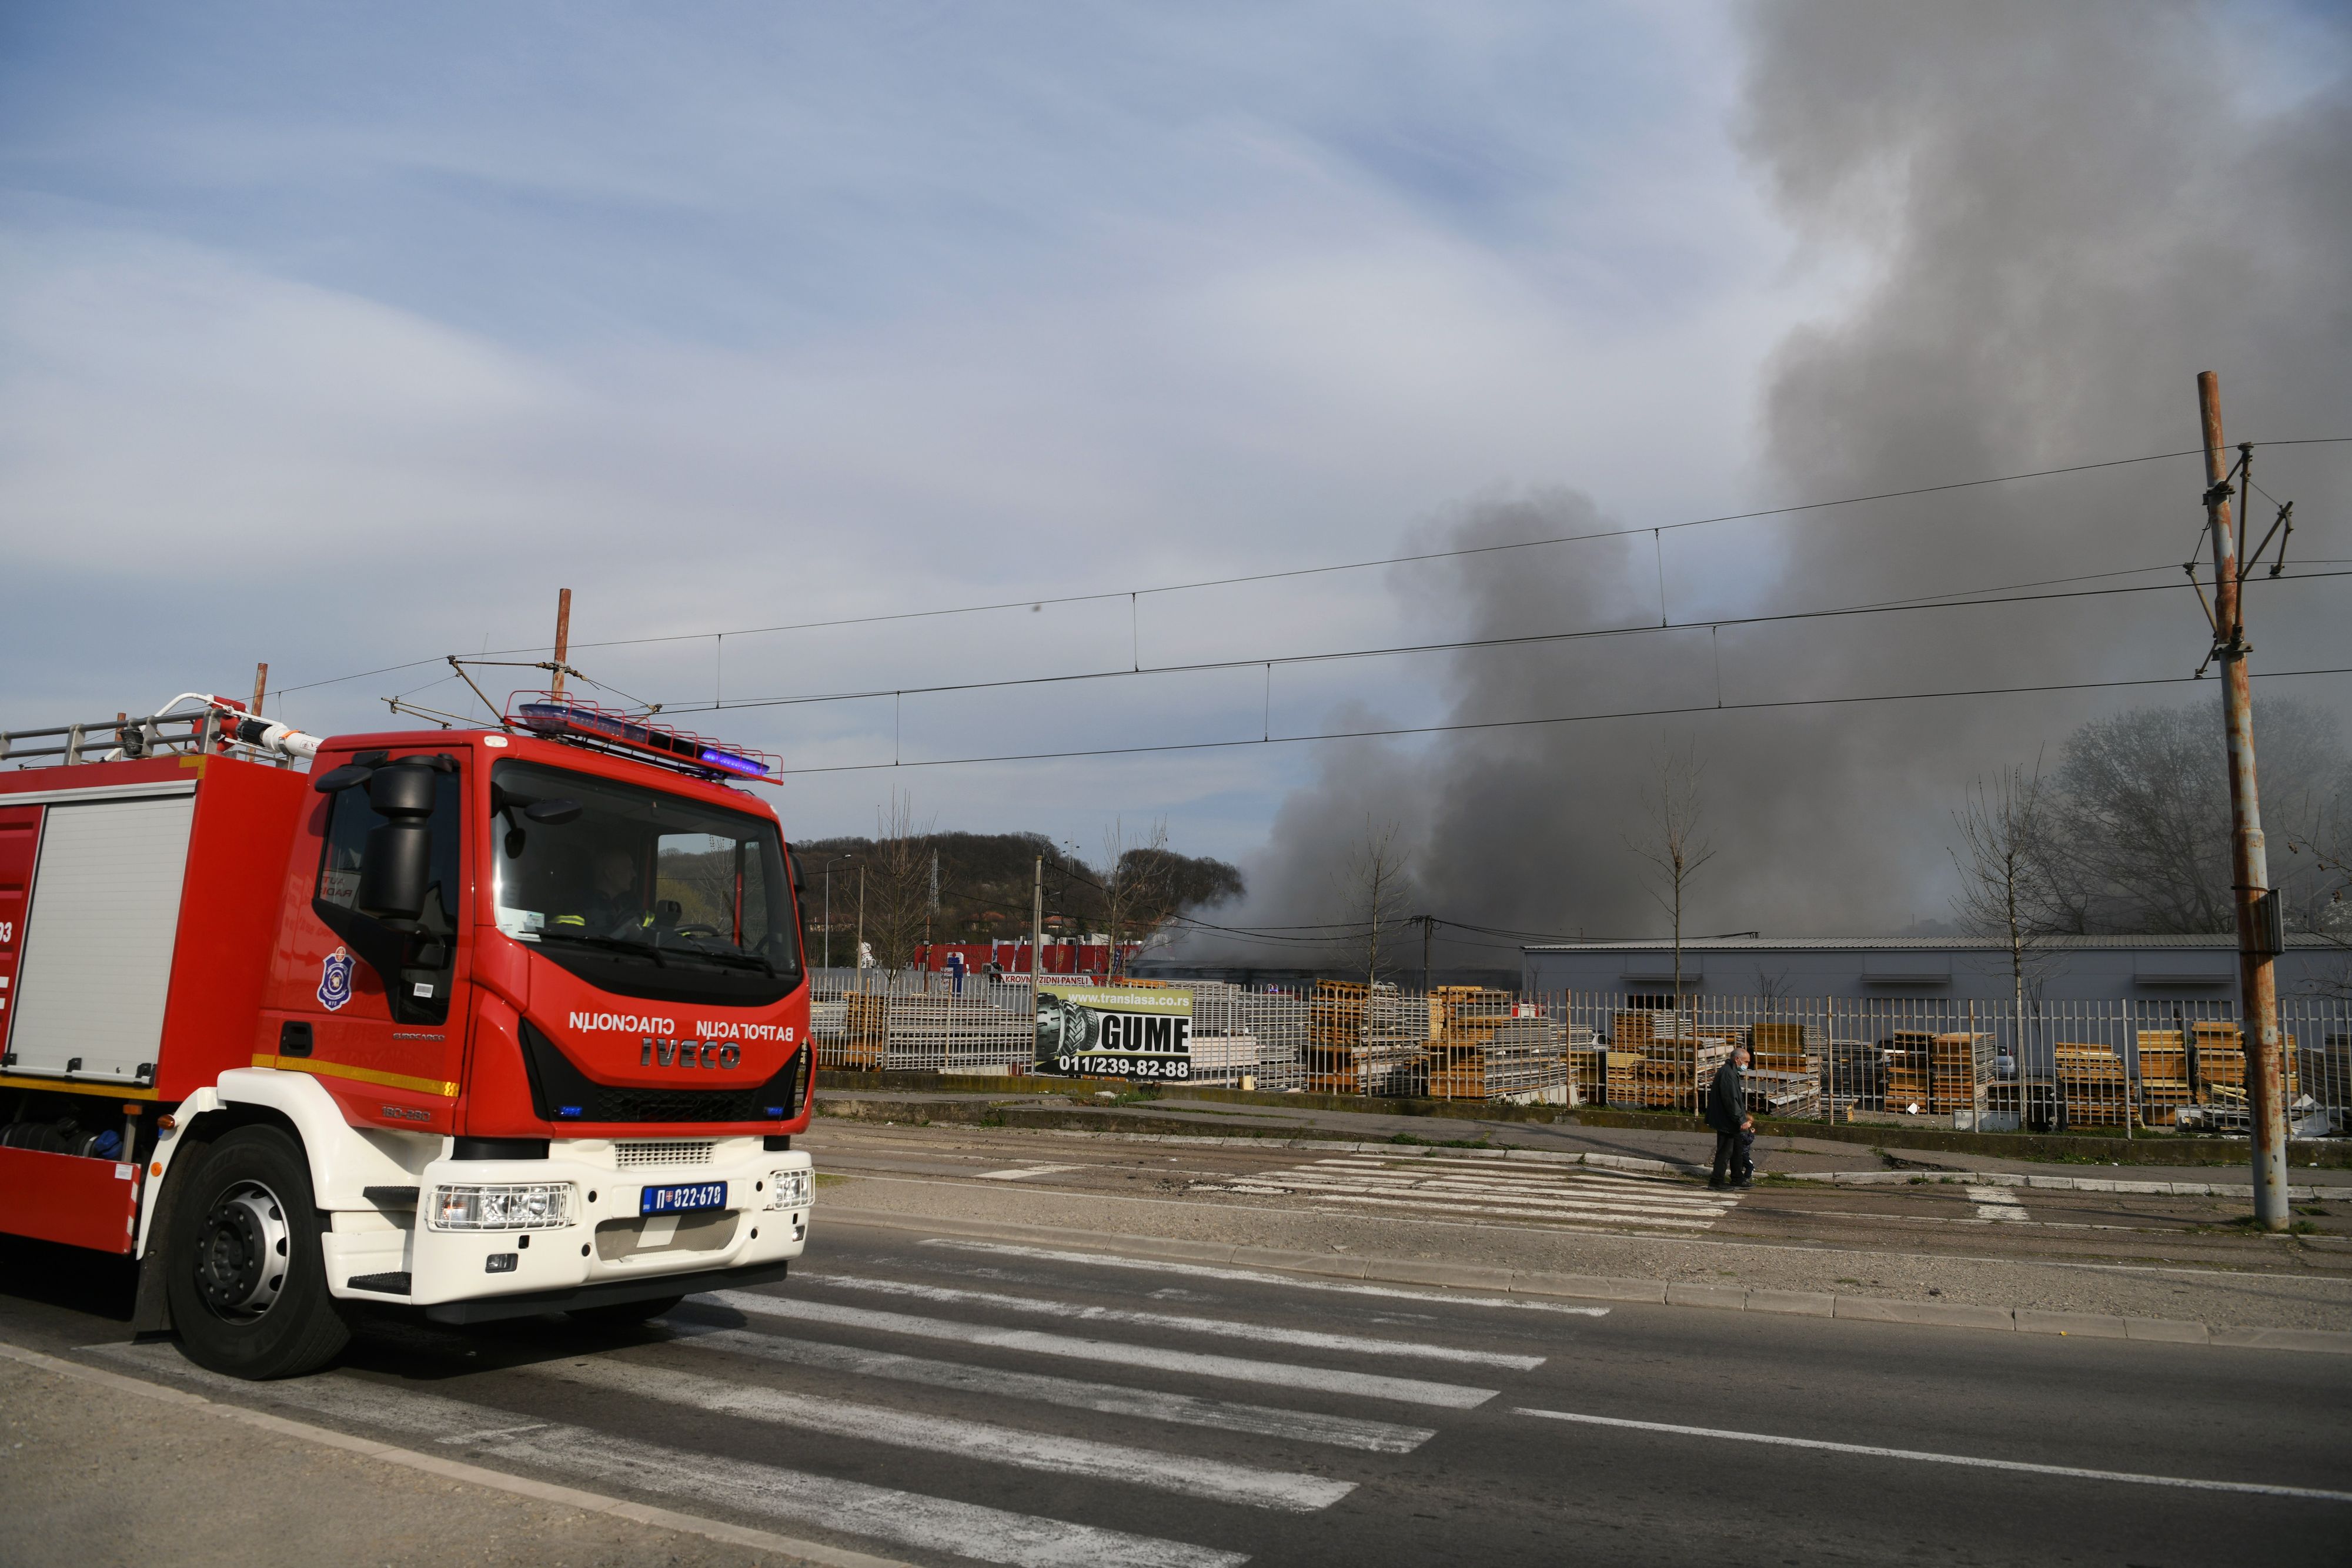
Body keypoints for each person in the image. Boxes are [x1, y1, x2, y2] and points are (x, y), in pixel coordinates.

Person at [1707, 1042, 1755, 1189]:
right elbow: (1731, 1100)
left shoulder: (1731, 1072)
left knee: (1737, 1150)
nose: (1747, 1065)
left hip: (1731, 1120)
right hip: (1726, 1120)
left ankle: (1737, 1178)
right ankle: (1716, 1181)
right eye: (1746, 1062)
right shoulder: (1728, 1074)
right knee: (1725, 1151)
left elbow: (1734, 1100)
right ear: (1737, 1059)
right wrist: (1741, 1120)